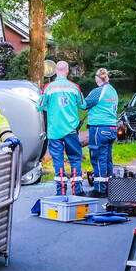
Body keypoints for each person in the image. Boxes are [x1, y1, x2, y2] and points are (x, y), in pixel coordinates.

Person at [37, 60, 86, 196]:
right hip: (71, 130)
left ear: (55, 71)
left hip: (55, 131)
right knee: (75, 158)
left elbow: (39, 106)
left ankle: (61, 191)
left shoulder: (48, 87)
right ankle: (77, 189)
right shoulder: (75, 87)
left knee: (58, 160)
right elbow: (83, 105)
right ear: (67, 71)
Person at [84, 67, 118, 197]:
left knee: (98, 157)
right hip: (111, 128)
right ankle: (109, 186)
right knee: (107, 158)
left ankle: (99, 189)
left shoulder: (98, 91)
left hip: (99, 128)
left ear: (97, 78)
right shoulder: (112, 90)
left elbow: (84, 104)